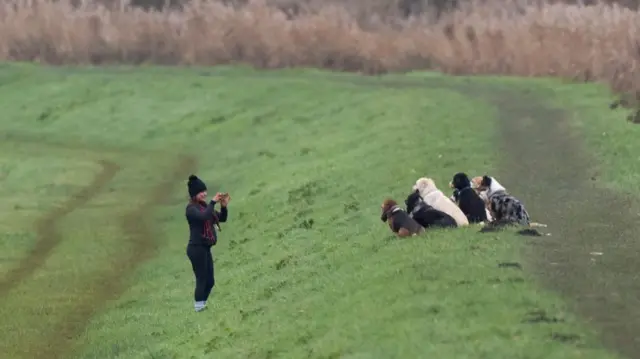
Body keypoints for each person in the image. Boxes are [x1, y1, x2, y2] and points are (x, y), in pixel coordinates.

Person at [185, 174, 230, 312]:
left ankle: (201, 306)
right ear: (194, 194)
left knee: (210, 281)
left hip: (205, 247)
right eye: (200, 192)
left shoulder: (204, 206)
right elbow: (204, 217)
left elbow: (222, 218)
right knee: (202, 278)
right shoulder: (191, 209)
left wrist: (223, 206)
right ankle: (199, 308)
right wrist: (212, 202)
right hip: (196, 248)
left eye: (204, 191)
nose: (204, 194)